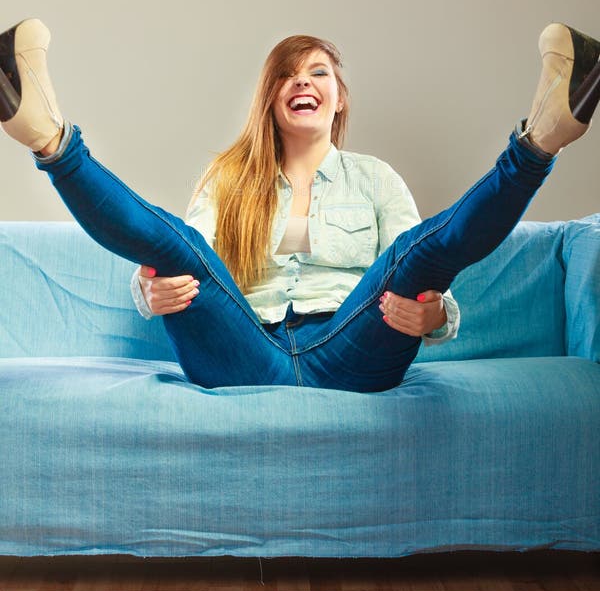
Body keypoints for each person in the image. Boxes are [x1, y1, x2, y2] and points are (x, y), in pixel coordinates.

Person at [0, 19, 599, 392]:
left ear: (339, 100)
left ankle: (542, 138)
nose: (302, 82)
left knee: (420, 255)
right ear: (272, 98)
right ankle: (48, 137)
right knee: (176, 248)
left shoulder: (376, 179)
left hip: (354, 347)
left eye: (318, 72)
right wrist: (148, 292)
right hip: (243, 351)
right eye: (287, 75)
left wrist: (435, 316)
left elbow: (428, 278)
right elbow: (182, 259)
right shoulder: (228, 178)